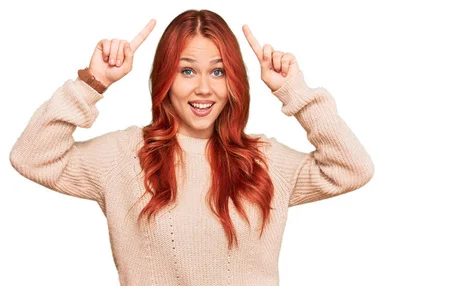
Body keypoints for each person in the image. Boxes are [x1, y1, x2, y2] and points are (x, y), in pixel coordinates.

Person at [9, 9, 374, 286]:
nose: (203, 88)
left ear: (233, 81)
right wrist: (93, 82)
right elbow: (31, 157)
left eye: (217, 71)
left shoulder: (264, 160)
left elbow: (352, 169)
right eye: (187, 70)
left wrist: (294, 91)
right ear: (165, 79)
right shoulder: (123, 155)